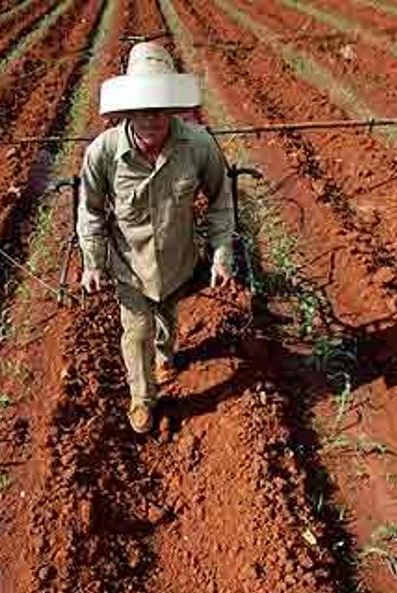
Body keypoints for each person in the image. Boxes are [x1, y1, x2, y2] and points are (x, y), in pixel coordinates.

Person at [76, 42, 236, 434]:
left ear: (172, 108)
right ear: (128, 111)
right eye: (142, 109)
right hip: (129, 265)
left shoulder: (199, 145)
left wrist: (221, 254)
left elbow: (221, 201)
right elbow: (90, 210)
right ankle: (142, 398)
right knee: (137, 332)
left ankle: (165, 356)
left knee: (166, 315)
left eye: (160, 108)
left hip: (178, 258)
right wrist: (93, 262)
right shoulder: (103, 153)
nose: (151, 118)